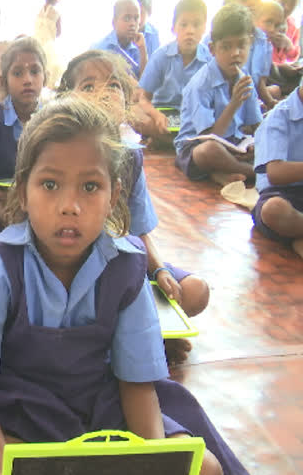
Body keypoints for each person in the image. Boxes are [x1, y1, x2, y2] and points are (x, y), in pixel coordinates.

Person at [0, 97, 228, 475]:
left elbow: (136, 385)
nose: (70, 205)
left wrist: (154, 464)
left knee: (207, 474)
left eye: (90, 186)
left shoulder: (126, 270)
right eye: (50, 185)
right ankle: (54, 474)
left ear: (115, 194)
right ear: (24, 192)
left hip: (100, 407)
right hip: (17, 409)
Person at [59, 50, 211, 363]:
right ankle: (140, 339)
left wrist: (160, 269)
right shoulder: (61, 154)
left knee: (195, 291)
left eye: (113, 86)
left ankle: (138, 334)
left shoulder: (131, 156)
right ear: (66, 99)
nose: (102, 94)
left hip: (124, 258)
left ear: (127, 101)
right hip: (74, 266)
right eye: (88, 86)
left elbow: (139, 229)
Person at [175, 3, 262, 184]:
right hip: (197, 146)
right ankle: (254, 173)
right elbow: (212, 136)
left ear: (250, 44)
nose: (235, 53)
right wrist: (234, 104)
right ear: (213, 49)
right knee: (210, 152)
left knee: (267, 143)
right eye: (226, 47)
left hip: (234, 144)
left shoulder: (244, 79)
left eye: (241, 45)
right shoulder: (200, 84)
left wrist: (256, 143)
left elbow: (256, 125)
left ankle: (221, 174)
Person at [0, 37, 48, 227]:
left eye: (35, 71)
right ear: (4, 81)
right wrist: (11, 204)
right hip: (1, 198)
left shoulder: (50, 120)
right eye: (17, 73)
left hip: (42, 195)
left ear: (45, 77)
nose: (27, 80)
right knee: (8, 222)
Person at [252, 83, 303, 258]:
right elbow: (276, 173)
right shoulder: (279, 116)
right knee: (274, 210)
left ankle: (297, 236)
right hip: (283, 193)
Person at [140, 0, 210, 111]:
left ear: (205, 28)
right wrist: (155, 115)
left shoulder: (210, 61)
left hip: (196, 117)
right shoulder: (160, 57)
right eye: (184, 24)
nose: (190, 31)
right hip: (162, 114)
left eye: (196, 24)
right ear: (173, 28)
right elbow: (143, 98)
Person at [93, 0, 149, 77]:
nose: (132, 23)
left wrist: (142, 49)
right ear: (114, 22)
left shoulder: (137, 49)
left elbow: (145, 83)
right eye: (127, 18)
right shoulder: (100, 49)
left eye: (136, 18)